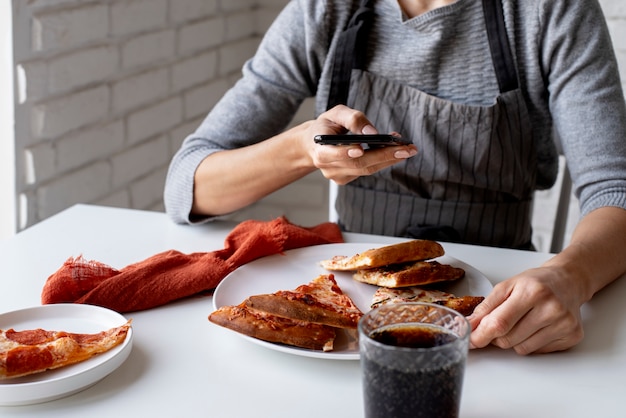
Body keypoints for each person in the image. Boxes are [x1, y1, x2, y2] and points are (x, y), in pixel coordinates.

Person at [164, 0, 626, 354]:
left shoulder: (548, 11)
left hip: (499, 319)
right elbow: (188, 185)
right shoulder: (327, 10)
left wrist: (570, 275)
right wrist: (300, 149)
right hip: (351, 309)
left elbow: (615, 191)